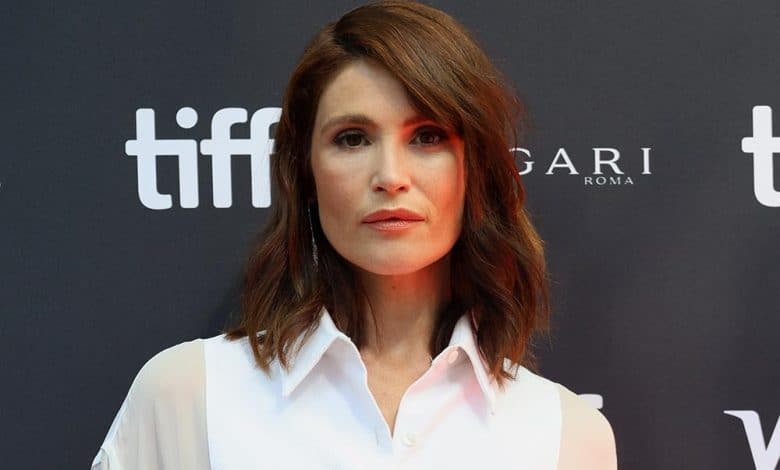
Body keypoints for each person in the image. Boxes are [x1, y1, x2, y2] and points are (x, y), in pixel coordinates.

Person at [91, 1, 617, 469]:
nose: (390, 175)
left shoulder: (566, 433)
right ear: (306, 173)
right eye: (352, 138)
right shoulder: (187, 395)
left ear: (474, 169)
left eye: (428, 136)